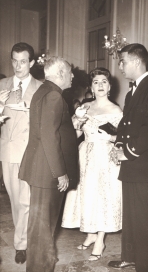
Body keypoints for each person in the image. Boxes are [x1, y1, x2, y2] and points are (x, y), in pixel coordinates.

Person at [108, 43, 148, 272]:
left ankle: (146, 266)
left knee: (145, 221)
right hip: (133, 165)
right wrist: (118, 146)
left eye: (122, 61)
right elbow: (126, 126)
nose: (120, 66)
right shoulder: (132, 91)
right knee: (132, 217)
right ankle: (130, 256)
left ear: (136, 61)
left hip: (147, 166)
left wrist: (127, 152)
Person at [19, 56, 79, 272]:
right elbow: (48, 137)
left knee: (39, 229)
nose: (73, 76)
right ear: (61, 73)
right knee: (43, 231)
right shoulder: (54, 96)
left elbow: (51, 130)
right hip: (48, 173)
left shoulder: (43, 91)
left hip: (40, 170)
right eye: (70, 72)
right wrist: (60, 173)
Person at [62, 67, 123, 261]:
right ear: (91, 86)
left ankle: (100, 240)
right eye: (96, 82)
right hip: (86, 155)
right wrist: (77, 120)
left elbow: (121, 138)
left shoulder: (116, 110)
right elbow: (76, 135)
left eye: (104, 81)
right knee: (86, 195)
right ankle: (90, 234)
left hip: (105, 157)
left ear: (110, 86)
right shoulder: (85, 107)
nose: (100, 85)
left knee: (102, 196)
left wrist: (111, 137)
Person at [0, 42, 42, 264]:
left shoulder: (41, 87)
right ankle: (22, 239)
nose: (18, 66)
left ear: (32, 63)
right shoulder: (1, 85)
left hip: (31, 152)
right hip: (8, 150)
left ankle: (22, 244)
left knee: (26, 201)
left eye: (23, 61)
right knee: (16, 201)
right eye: (14, 60)